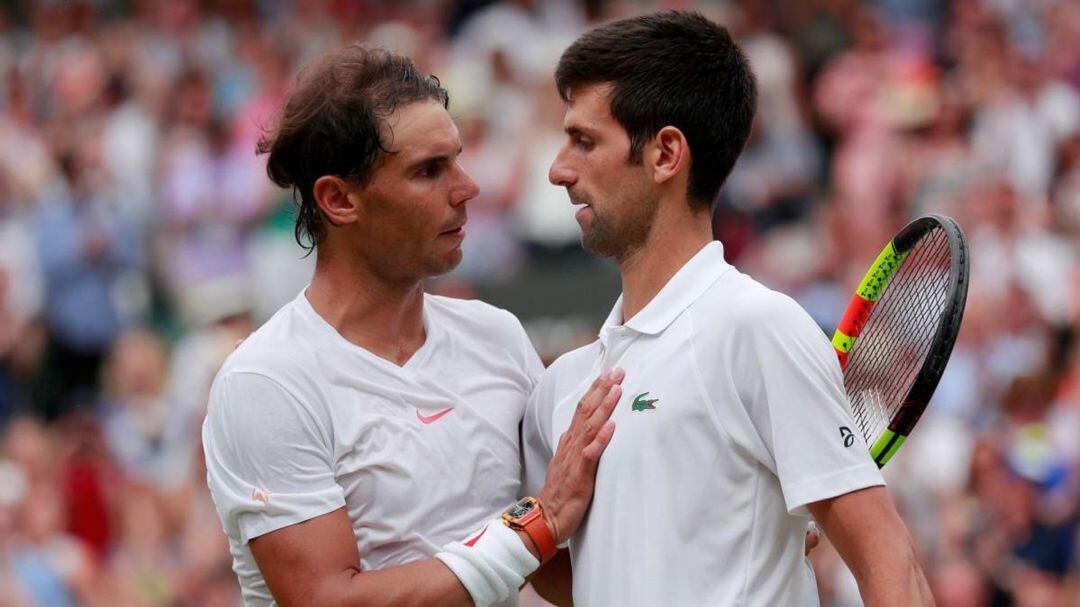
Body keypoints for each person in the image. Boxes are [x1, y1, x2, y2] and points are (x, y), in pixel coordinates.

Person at [521, 11, 935, 606]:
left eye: (584, 141)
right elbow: (581, 577)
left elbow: (890, 564)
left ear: (666, 154)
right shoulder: (561, 387)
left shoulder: (757, 329)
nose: (559, 169)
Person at [201, 45, 621, 607]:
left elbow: (552, 572)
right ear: (339, 199)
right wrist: (536, 526)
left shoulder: (496, 336)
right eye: (429, 171)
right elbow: (327, 600)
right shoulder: (266, 380)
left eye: (457, 159)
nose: (467, 188)